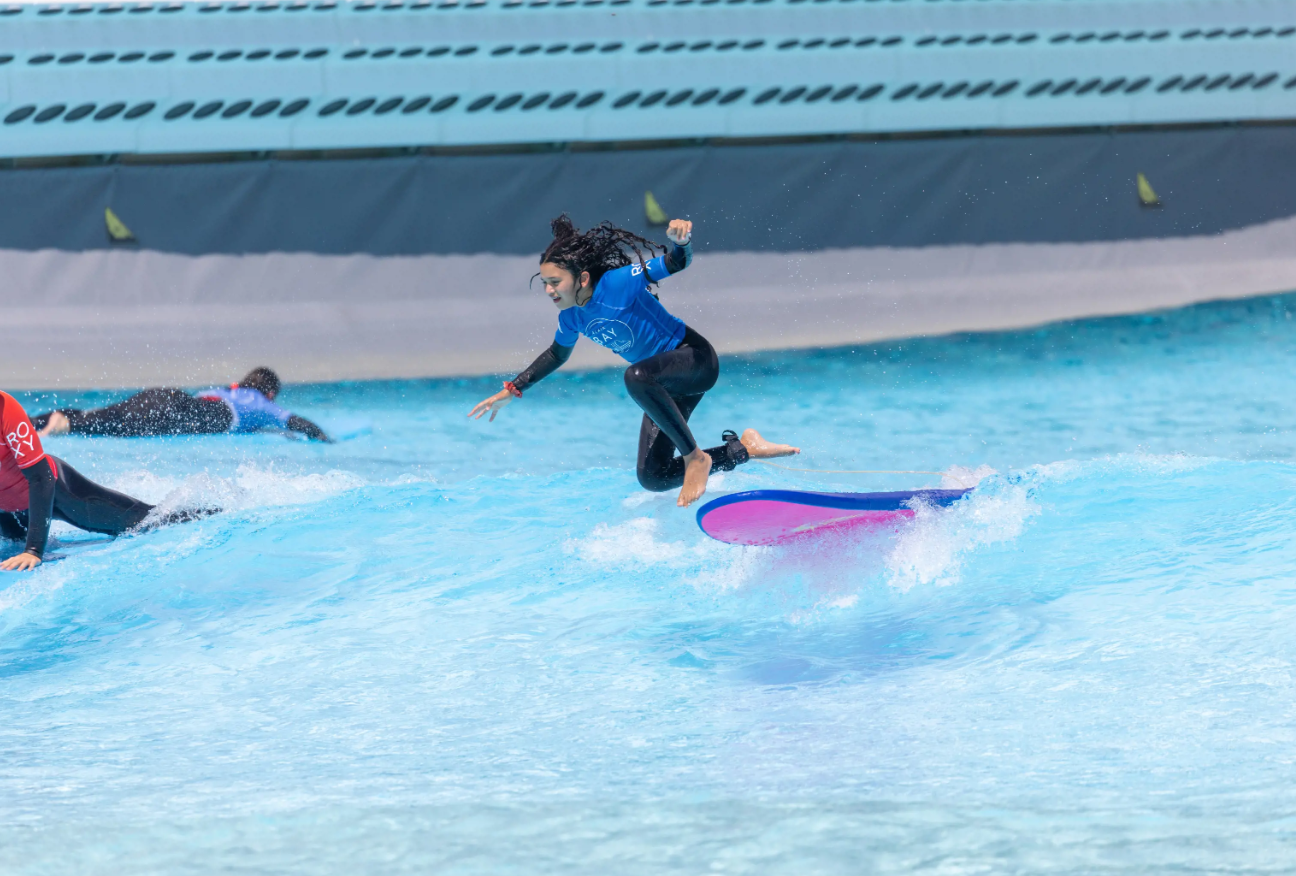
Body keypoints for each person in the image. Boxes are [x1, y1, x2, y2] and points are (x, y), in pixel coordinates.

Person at [470, 215, 798, 507]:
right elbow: (557, 354)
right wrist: (512, 389)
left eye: (555, 282)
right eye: (545, 283)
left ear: (582, 278)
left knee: (635, 376)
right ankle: (743, 449)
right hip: (662, 385)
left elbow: (675, 262)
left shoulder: (617, 283)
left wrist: (681, 242)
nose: (548, 290)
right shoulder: (571, 317)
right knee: (653, 476)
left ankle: (695, 458)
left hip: (694, 360)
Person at [0, 391, 215, 571]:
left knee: (146, 522)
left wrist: (33, 550)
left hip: (56, 490)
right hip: (8, 512)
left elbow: (40, 477)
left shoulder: (6, 408)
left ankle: (212, 512)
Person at [31, 367, 330, 442]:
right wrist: (323, 438)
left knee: (106, 415)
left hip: (169, 396)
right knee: (118, 427)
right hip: (178, 410)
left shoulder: (228, 390)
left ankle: (31, 422)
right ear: (271, 393)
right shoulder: (262, 403)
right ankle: (65, 424)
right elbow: (298, 423)